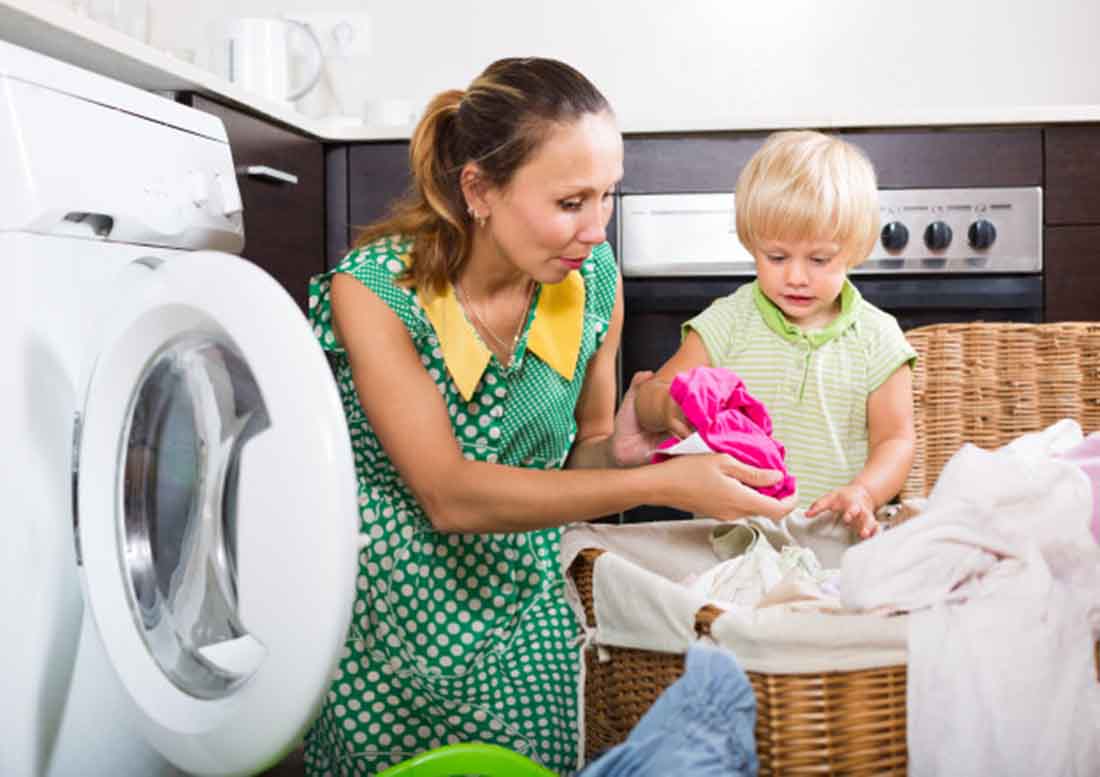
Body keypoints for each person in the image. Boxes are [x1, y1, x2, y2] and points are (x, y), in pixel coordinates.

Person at [302, 58, 797, 776]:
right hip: (386, 621)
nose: (596, 229)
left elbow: (583, 456)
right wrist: (663, 487)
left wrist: (629, 451)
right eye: (571, 202)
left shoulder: (590, 282)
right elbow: (448, 493)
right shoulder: (376, 290)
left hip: (522, 603)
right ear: (479, 189)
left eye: (607, 197)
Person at [635, 130, 917, 540]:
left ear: (857, 249)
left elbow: (895, 441)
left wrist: (864, 492)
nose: (796, 277)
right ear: (752, 244)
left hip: (835, 540)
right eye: (777, 257)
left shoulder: (878, 338)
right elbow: (651, 396)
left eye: (820, 259)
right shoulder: (728, 322)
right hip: (731, 539)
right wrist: (667, 406)